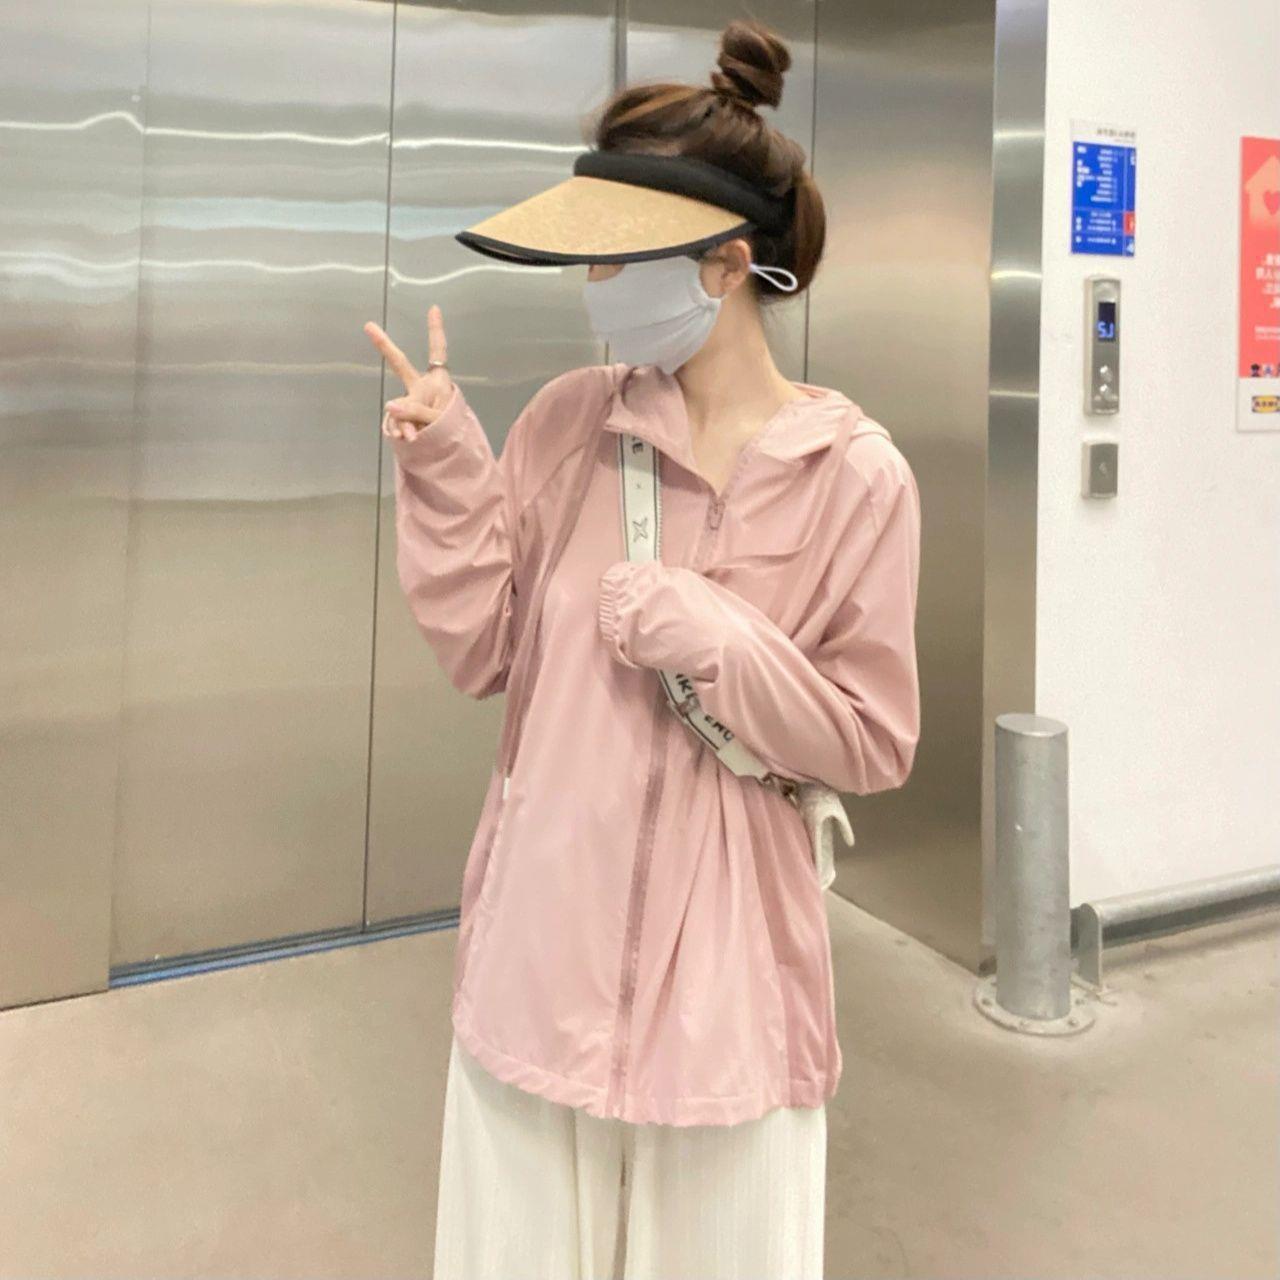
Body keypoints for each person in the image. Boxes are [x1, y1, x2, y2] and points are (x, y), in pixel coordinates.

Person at [363, 18, 921, 1280]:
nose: (594, 287)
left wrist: (721, 638)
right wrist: (447, 467)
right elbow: (483, 649)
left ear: (724, 265)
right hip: (538, 946)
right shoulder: (571, 421)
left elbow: (870, 739)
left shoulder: (856, 477)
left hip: (730, 980)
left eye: (617, 259)